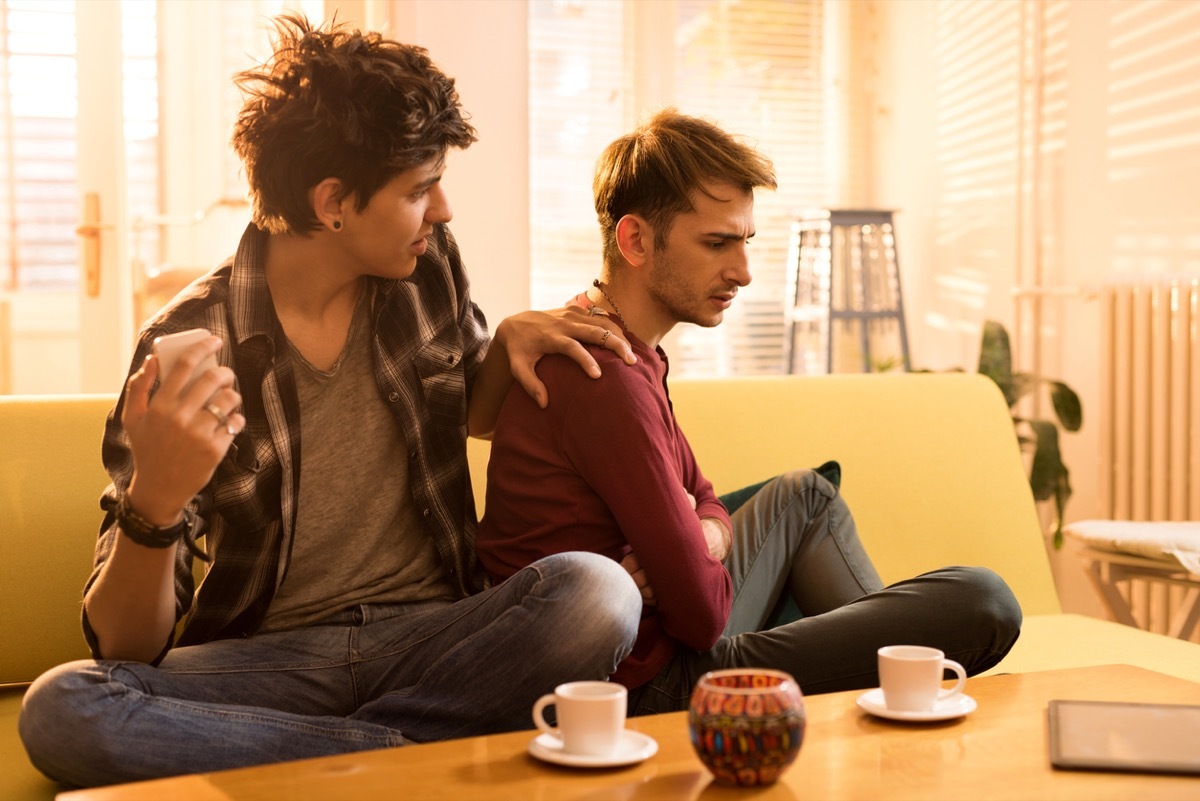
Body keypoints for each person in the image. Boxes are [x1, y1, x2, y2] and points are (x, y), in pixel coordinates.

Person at [18, 15, 643, 788]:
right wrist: (156, 497)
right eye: (420, 189)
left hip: (435, 633)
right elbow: (125, 647)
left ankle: (326, 756)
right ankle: (402, 754)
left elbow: (473, 414)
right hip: (271, 658)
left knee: (596, 591)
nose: (442, 210)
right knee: (64, 704)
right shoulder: (187, 341)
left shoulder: (427, 267)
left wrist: (509, 339)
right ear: (333, 202)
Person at [475, 108, 1023, 716]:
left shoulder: (626, 343)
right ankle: (896, 688)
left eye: (744, 241)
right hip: (640, 680)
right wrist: (692, 546)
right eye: (716, 244)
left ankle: (886, 683)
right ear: (635, 240)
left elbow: (703, 493)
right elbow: (705, 618)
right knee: (984, 603)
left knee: (805, 495)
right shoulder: (603, 376)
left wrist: (705, 531)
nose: (743, 271)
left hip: (667, 632)